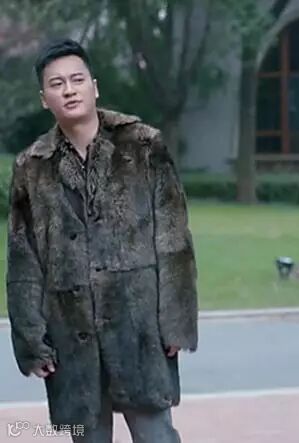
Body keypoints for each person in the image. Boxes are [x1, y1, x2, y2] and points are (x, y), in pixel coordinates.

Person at [6, 38, 198, 442]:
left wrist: (176, 320)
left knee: (156, 434)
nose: (69, 90)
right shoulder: (31, 167)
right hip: (69, 336)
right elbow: (24, 259)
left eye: (77, 80)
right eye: (57, 84)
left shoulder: (143, 145)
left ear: (94, 87)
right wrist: (30, 338)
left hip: (139, 330)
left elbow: (174, 239)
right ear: (44, 99)